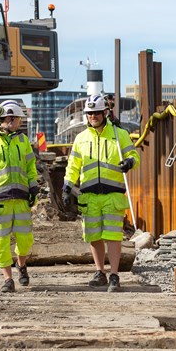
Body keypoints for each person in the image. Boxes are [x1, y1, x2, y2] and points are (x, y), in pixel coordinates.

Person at [62, 94, 140, 292]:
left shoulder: (119, 134)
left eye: (96, 113)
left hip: (113, 194)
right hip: (89, 196)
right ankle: (100, 272)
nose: (93, 116)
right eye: (89, 113)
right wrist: (67, 186)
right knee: (94, 235)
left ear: (105, 112)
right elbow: (73, 165)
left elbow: (133, 155)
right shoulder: (81, 139)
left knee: (113, 236)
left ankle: (114, 275)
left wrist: (130, 162)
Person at [0, 100, 39, 292]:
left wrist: (33, 187)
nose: (19, 122)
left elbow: (30, 167)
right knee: (1, 243)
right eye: (18, 119)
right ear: (9, 119)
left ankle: (21, 264)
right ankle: (8, 280)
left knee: (25, 240)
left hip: (21, 200)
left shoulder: (22, 140)